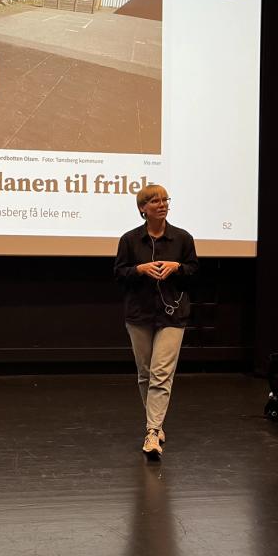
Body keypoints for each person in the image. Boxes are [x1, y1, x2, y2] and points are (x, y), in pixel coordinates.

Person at [114, 184, 199, 458]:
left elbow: (194, 272)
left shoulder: (182, 239)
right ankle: (155, 424)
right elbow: (119, 274)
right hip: (139, 314)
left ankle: (152, 432)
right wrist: (139, 269)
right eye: (154, 201)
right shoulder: (129, 240)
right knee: (145, 373)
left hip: (173, 315)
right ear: (143, 209)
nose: (162, 204)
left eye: (165, 200)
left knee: (161, 373)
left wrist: (178, 267)